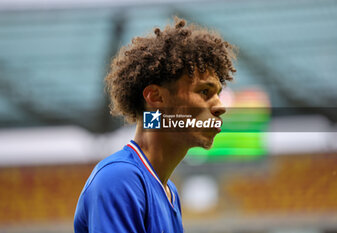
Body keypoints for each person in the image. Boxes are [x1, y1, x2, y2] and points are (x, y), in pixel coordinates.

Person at [74, 17, 236, 233]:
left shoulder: (168, 192)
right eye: (204, 92)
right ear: (156, 97)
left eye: (218, 94)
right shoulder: (119, 178)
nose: (219, 106)